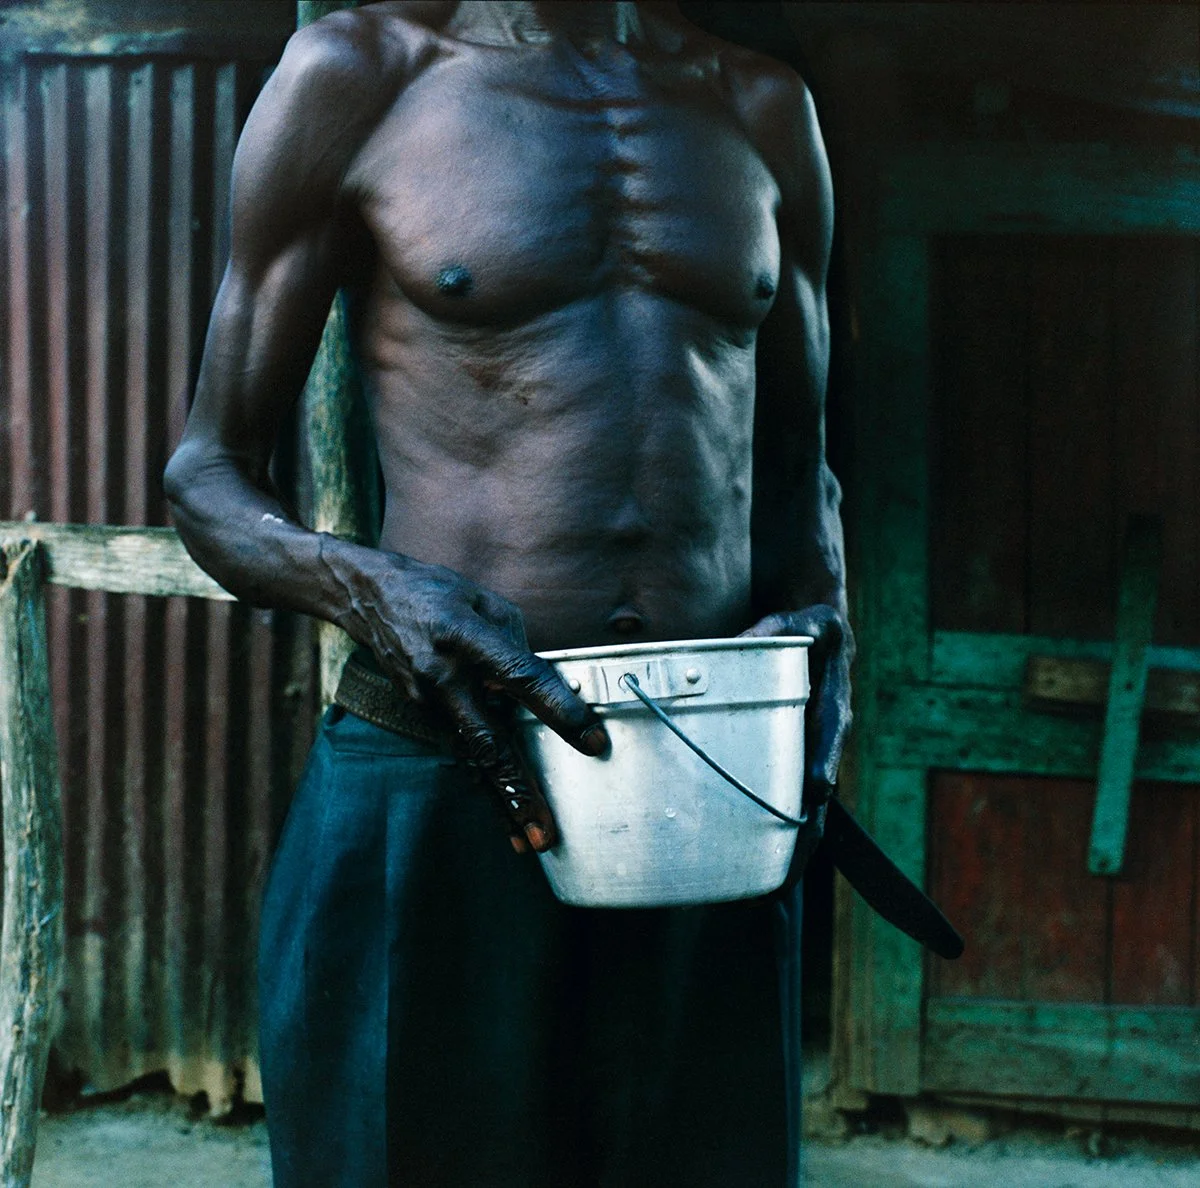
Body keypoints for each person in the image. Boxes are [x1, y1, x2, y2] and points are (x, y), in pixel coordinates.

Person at [163, 2, 853, 1184]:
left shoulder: (759, 108)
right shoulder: (360, 77)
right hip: (442, 762)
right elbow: (209, 479)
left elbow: (799, 466)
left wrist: (831, 650)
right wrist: (374, 589)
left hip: (707, 781)